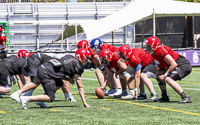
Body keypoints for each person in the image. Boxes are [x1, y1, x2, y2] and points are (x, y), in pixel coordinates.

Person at [19, 48, 90, 109]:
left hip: (45, 68)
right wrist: (85, 102)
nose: (87, 59)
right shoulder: (78, 66)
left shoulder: (69, 56)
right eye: (86, 57)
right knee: (50, 97)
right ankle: (26, 98)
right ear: (82, 56)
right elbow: (80, 87)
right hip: (46, 72)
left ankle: (40, 100)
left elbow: (59, 72)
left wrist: (69, 79)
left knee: (59, 83)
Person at [10, 52, 76, 108]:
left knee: (59, 83)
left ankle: (39, 99)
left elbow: (61, 81)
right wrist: (69, 95)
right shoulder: (60, 65)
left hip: (34, 58)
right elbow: (64, 81)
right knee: (35, 82)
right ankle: (17, 93)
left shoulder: (59, 62)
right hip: (36, 59)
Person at [146, 36, 192, 103]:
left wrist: (164, 75)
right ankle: (164, 97)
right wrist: (158, 68)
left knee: (168, 78)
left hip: (183, 65)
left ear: (154, 45)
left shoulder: (161, 50)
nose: (148, 48)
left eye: (149, 46)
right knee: (158, 74)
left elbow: (173, 64)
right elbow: (163, 66)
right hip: (175, 65)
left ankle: (185, 97)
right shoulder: (154, 54)